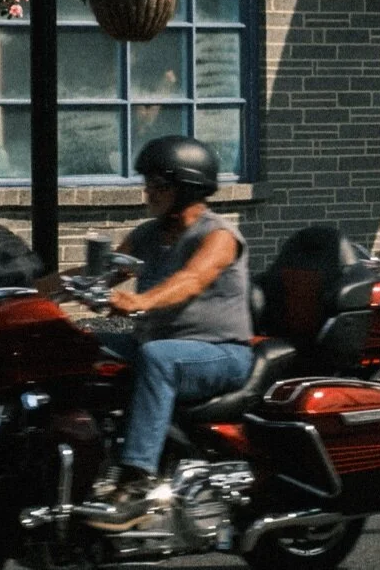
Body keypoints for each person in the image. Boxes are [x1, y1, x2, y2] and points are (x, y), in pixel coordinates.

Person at [86, 135, 255, 527]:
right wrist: (29, 290)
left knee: (158, 358)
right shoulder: (148, 234)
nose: (148, 191)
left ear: (187, 187)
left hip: (220, 352)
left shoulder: (219, 236)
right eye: (147, 183)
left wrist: (140, 301)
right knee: (81, 345)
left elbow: (192, 280)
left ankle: (137, 479)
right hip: (158, 343)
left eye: (158, 184)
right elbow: (104, 273)